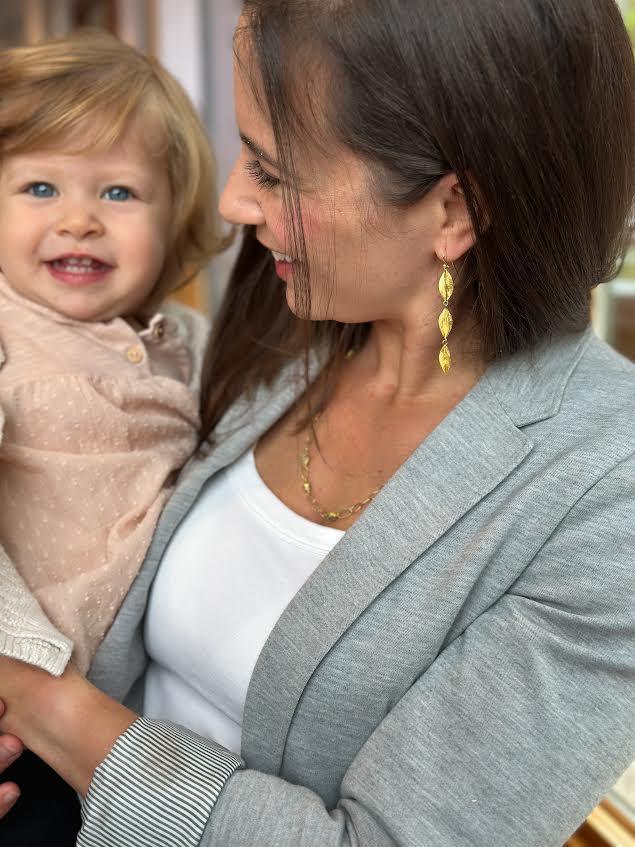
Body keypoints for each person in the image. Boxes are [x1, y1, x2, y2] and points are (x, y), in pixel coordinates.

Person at [0, 1, 634, 845]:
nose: (231, 203)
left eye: (273, 171)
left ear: (454, 211)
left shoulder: (603, 488)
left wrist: (40, 701)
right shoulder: (286, 329)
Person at [0, 28, 223, 844]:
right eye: (40, 187)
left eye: (120, 194)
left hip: (125, 717)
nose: (81, 220)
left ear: (176, 218)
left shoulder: (186, 344)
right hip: (20, 716)